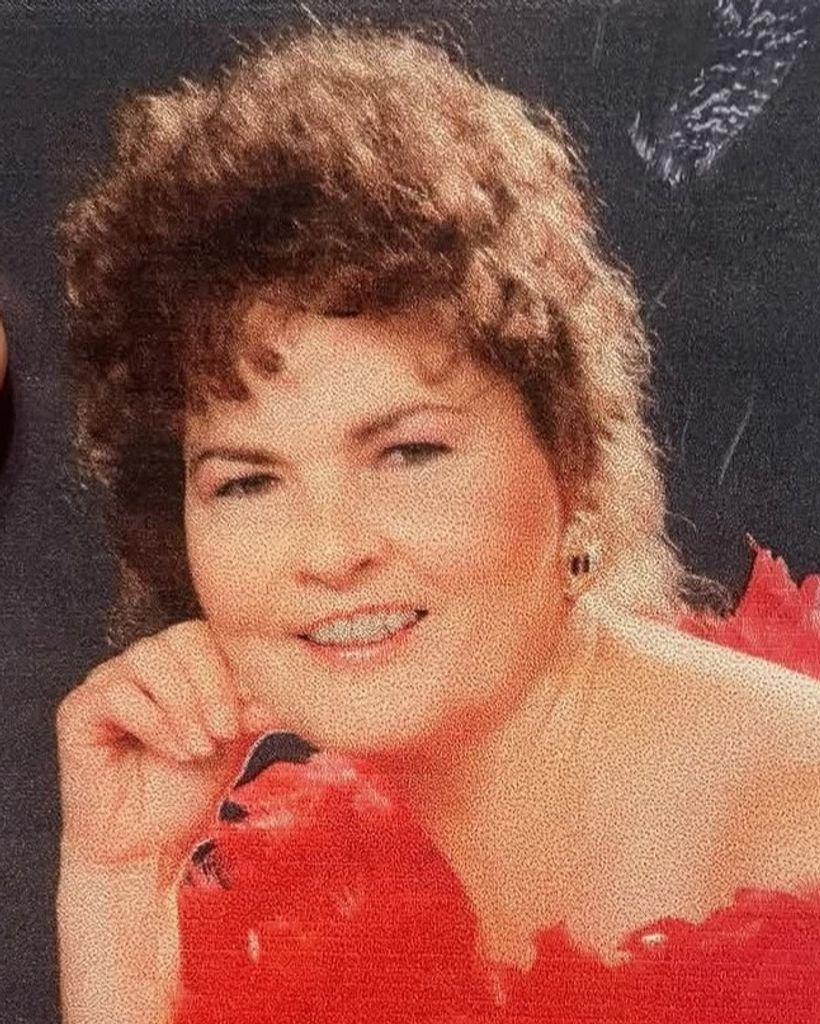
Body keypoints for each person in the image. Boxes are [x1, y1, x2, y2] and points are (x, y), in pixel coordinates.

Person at [54, 24, 820, 1024]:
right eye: (247, 482)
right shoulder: (336, 891)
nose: (331, 550)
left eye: (408, 452)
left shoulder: (802, 832)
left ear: (571, 458)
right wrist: (118, 887)